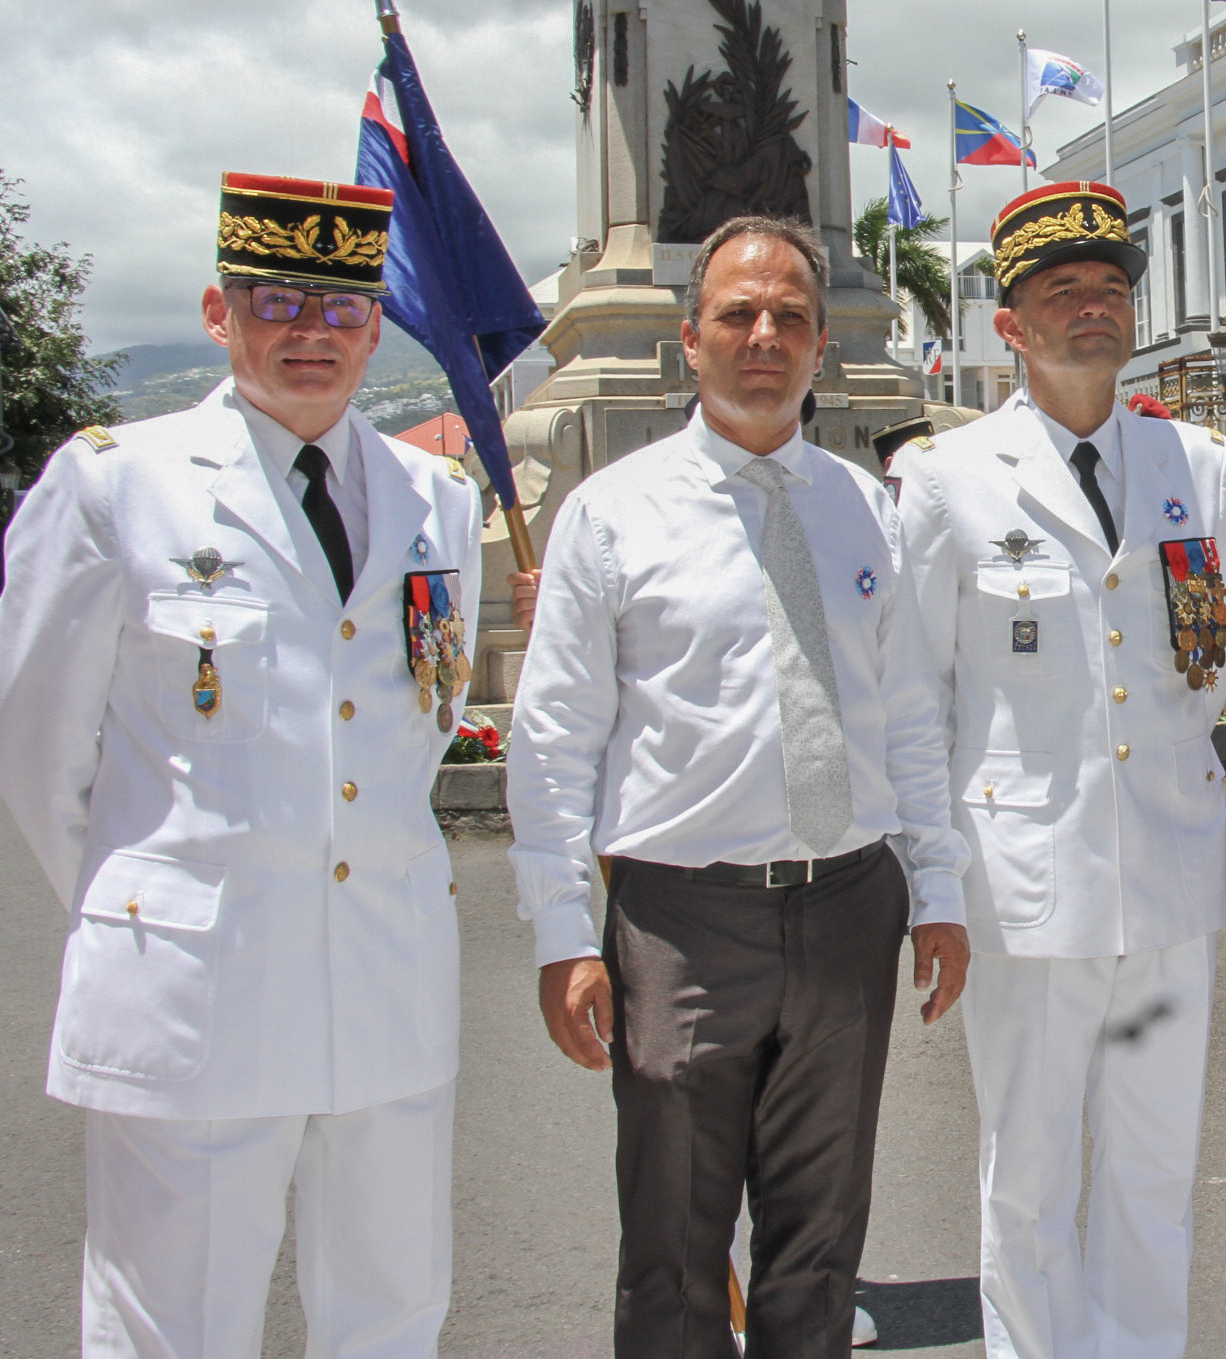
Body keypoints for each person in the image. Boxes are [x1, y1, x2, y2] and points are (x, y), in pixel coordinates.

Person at [0, 173, 480, 1358]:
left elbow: (424, 712)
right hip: (192, 991)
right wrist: (150, 904)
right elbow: (35, 741)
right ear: (220, 313)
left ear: (376, 327)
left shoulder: (438, 498)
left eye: (342, 310)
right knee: (174, 1321)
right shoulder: (116, 483)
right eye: (278, 301)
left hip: (384, 979)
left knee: (391, 1311)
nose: (311, 333)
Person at [506, 215, 971, 1357]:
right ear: (689, 340)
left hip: (845, 901)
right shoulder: (611, 514)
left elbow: (909, 716)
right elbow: (557, 733)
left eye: (791, 318)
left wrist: (940, 891)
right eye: (738, 314)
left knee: (818, 1247)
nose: (765, 335)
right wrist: (564, 929)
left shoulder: (869, 508)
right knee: (672, 1250)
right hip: (681, 919)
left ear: (819, 346)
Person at [888, 182, 1226, 1359]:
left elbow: (1213, 654)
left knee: (1153, 1170)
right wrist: (933, 886)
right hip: (1026, 891)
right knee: (1028, 1177)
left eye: (1109, 288)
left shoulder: (1198, 459)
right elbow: (914, 699)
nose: (1093, 308)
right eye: (1060, 292)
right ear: (1011, 325)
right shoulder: (946, 478)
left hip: (1167, 881)